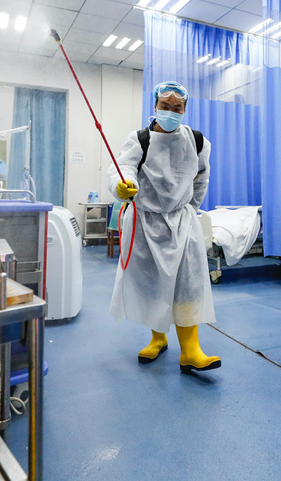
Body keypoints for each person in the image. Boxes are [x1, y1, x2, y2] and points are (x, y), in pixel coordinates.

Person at [108, 81, 221, 373]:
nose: (170, 112)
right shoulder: (140, 139)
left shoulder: (197, 140)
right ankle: (157, 338)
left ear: (184, 109)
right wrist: (123, 185)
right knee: (152, 283)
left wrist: (189, 210)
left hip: (182, 221)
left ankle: (191, 350)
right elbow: (122, 168)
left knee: (188, 284)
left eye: (177, 108)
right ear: (155, 106)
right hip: (145, 222)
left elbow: (202, 179)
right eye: (165, 106)